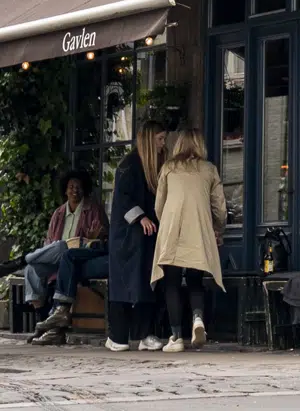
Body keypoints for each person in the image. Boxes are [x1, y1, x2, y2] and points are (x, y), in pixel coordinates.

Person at [150, 128, 227, 353]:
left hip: (172, 229)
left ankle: (176, 336)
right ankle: (197, 318)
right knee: (195, 280)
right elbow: (219, 208)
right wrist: (218, 229)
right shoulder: (209, 169)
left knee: (171, 282)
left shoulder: (168, 168)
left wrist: (165, 223)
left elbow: (158, 205)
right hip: (199, 229)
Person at [106, 121, 168, 352]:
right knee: (123, 284)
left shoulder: (156, 165)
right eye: (160, 139)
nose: (163, 144)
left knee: (147, 283)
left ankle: (144, 334)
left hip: (148, 235)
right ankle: (118, 336)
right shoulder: (129, 165)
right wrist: (141, 217)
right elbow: (122, 199)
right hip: (127, 236)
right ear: (150, 140)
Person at [23, 169, 108, 333]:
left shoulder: (93, 209)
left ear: (84, 189)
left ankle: (25, 258)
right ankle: (43, 321)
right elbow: (49, 240)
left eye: (78, 187)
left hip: (77, 256)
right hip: (56, 257)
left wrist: (94, 236)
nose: (74, 190)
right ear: (65, 190)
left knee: (62, 246)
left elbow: (102, 236)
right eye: (71, 187)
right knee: (31, 269)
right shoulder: (59, 213)